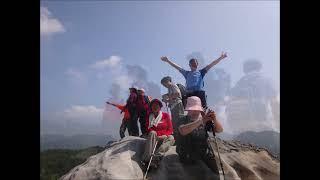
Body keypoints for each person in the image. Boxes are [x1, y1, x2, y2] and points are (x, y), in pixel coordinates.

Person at [176, 96, 223, 179]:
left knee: (217, 174)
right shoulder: (183, 119)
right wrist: (201, 121)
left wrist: (214, 119)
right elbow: (182, 131)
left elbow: (219, 130)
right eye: (192, 109)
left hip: (205, 154)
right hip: (188, 155)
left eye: (196, 109)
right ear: (188, 110)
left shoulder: (204, 120)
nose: (194, 111)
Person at [160, 52, 228, 109]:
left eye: (195, 62)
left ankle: (204, 110)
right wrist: (168, 61)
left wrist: (221, 58)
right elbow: (177, 67)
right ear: (189, 65)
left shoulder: (201, 72)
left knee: (202, 96)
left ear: (197, 64)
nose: (194, 63)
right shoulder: (187, 73)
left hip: (199, 92)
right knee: (183, 95)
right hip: (189, 92)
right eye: (192, 63)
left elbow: (212, 64)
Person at [141, 99, 175, 168]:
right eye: (153, 106)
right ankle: (146, 158)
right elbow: (148, 129)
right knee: (152, 132)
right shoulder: (149, 117)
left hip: (164, 137)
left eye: (157, 106)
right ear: (151, 108)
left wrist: (164, 135)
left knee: (171, 138)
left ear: (160, 107)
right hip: (153, 137)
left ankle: (156, 157)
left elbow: (170, 129)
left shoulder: (166, 115)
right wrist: (158, 135)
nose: (155, 107)